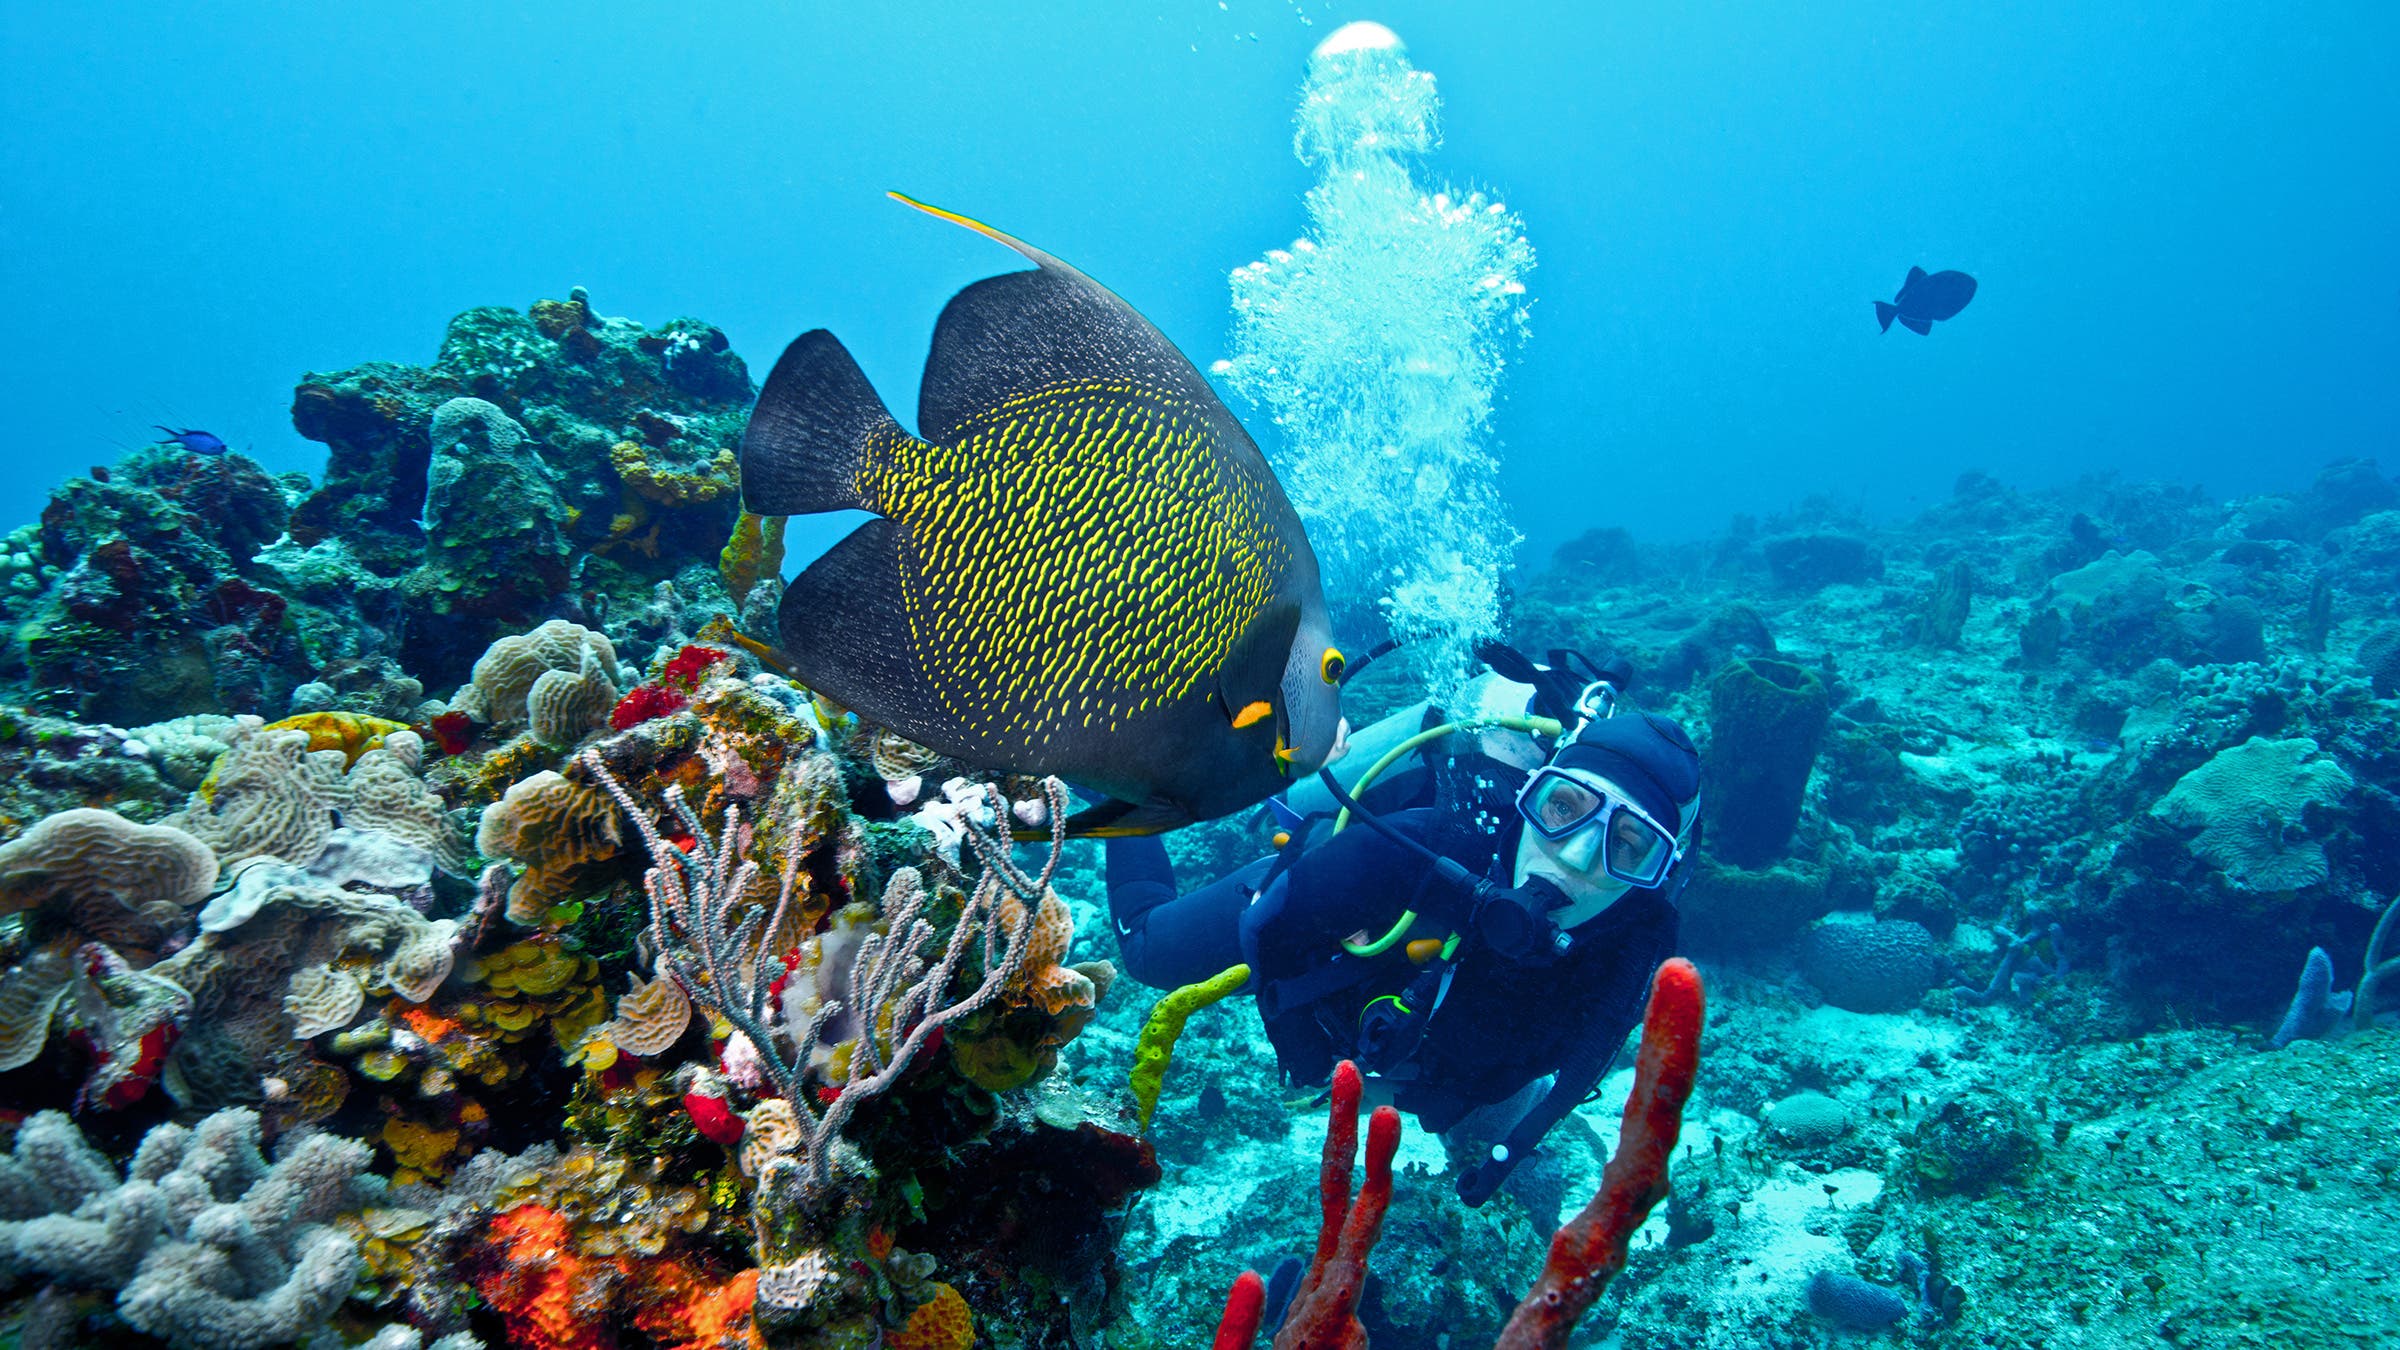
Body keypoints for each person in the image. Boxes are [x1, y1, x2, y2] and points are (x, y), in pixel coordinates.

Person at [1104, 648, 1702, 1207]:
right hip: (1330, 916)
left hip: (1430, 1044)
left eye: (1629, 846)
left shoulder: (1622, 967)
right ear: (1530, 796)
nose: (1574, 857)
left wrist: (1390, 1087)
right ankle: (1124, 776)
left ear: (1657, 875)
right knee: (1147, 949)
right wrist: (1309, 1046)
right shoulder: (1425, 846)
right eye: (1563, 807)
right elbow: (1271, 924)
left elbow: (1503, 1080)